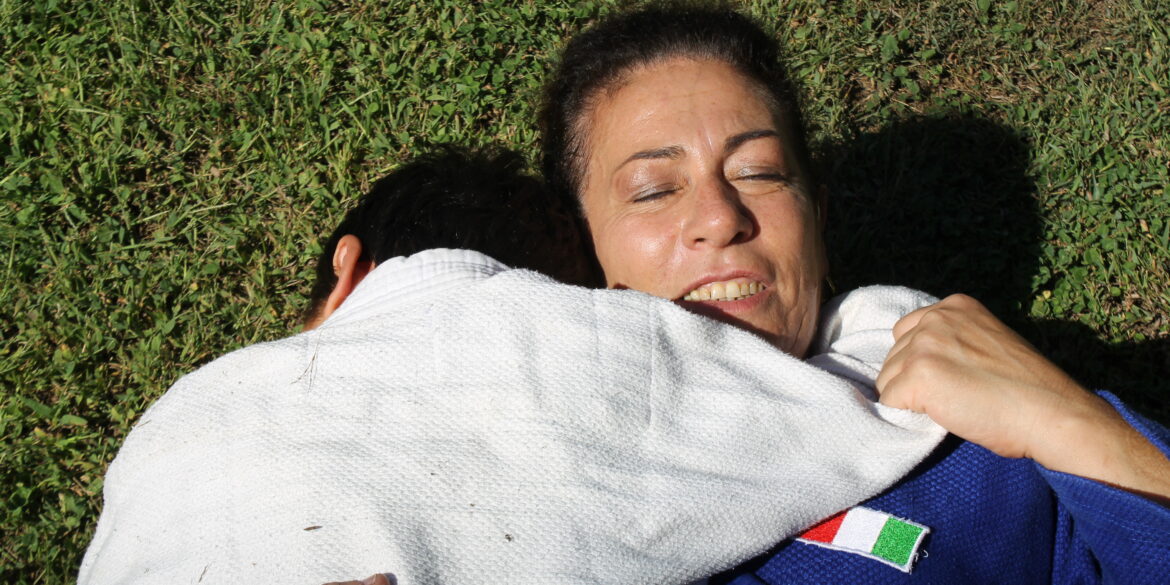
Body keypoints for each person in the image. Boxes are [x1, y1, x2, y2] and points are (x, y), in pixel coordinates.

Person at [78, 144, 945, 584]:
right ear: (580, 296)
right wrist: (874, 315)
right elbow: (865, 391)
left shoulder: (182, 416)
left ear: (348, 272)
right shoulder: (596, 354)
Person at [537, 2, 1170, 583]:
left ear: (817, 220)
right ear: (580, 256)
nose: (720, 217)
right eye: (653, 189)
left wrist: (1064, 420)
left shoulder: (971, 446)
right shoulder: (517, 470)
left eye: (757, 172)